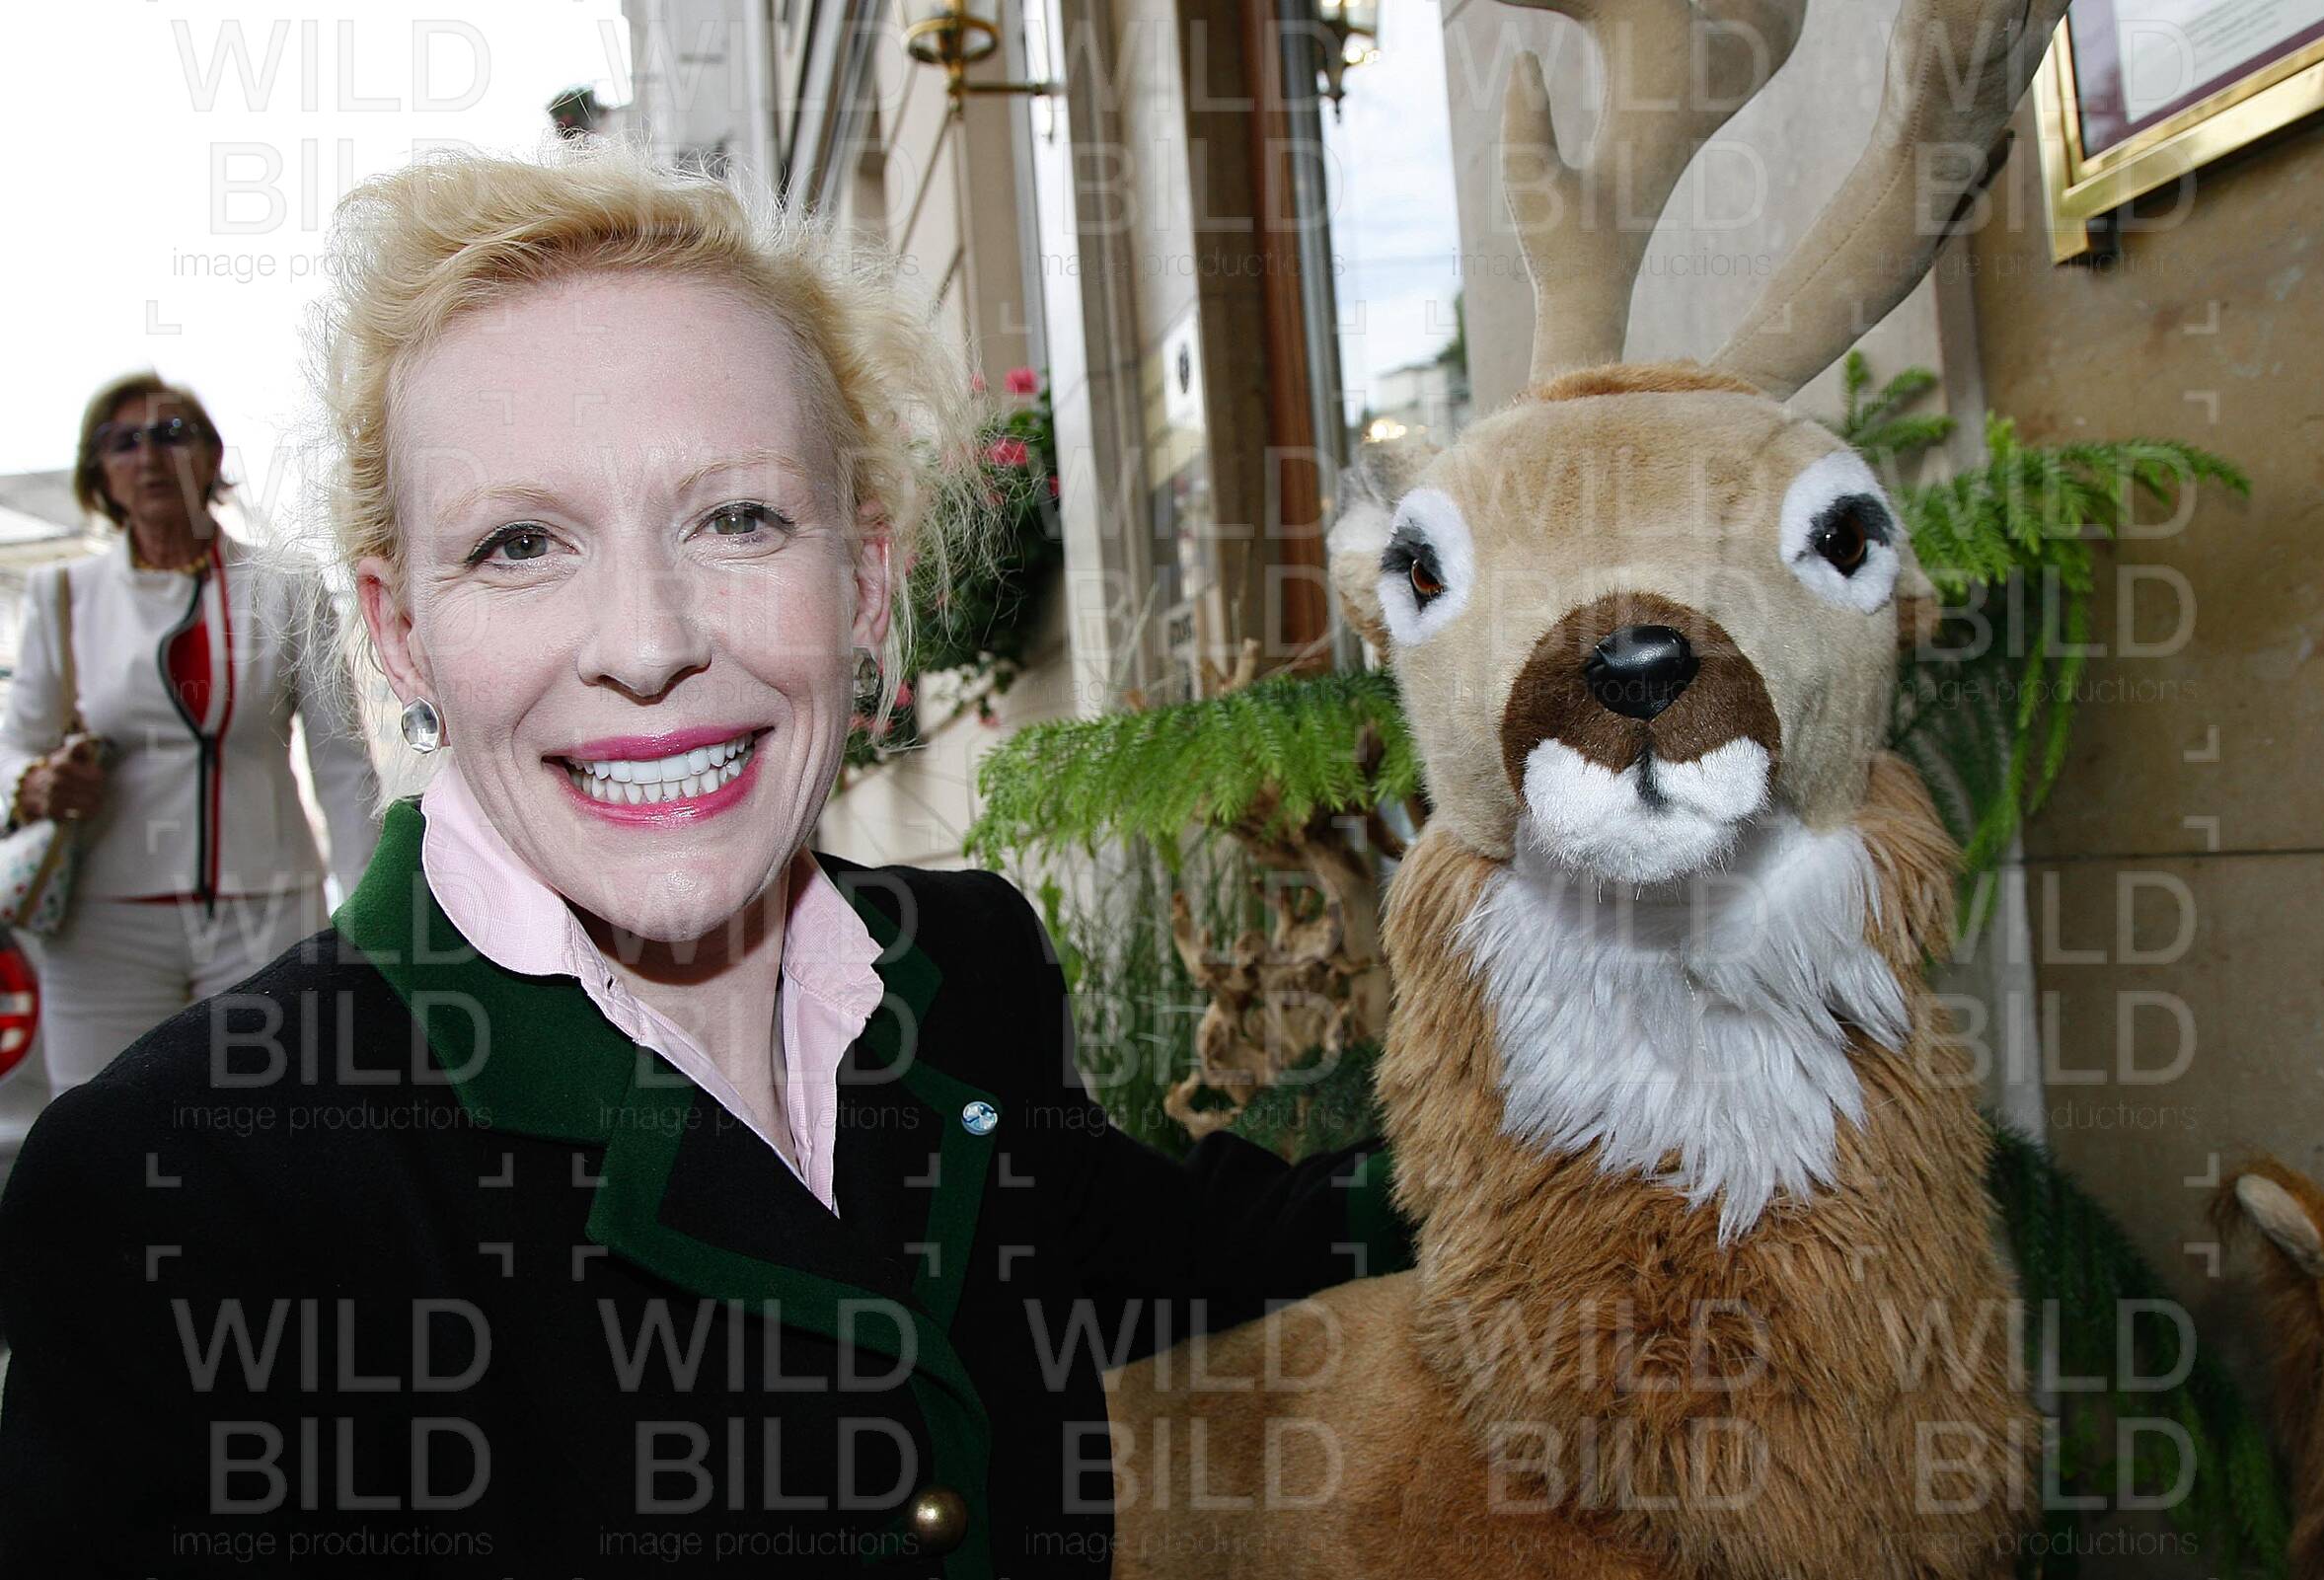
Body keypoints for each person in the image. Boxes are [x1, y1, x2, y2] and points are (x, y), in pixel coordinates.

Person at [0, 145, 1408, 1575]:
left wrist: (1523, 1151)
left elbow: (1157, 1250)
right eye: (519, 543)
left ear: (863, 582)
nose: (647, 640)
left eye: (738, 518)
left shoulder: (963, 964)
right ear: (403, 632)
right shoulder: (186, 1187)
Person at [0, 374, 380, 1091]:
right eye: (123, 441)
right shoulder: (65, 595)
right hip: (104, 926)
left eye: (172, 434)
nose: (150, 456)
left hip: (265, 913)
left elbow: (342, 762)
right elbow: (15, 744)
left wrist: (368, 914)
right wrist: (34, 783)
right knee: (103, 1130)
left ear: (212, 457)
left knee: (270, 1121)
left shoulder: (285, 584)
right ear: (100, 474)